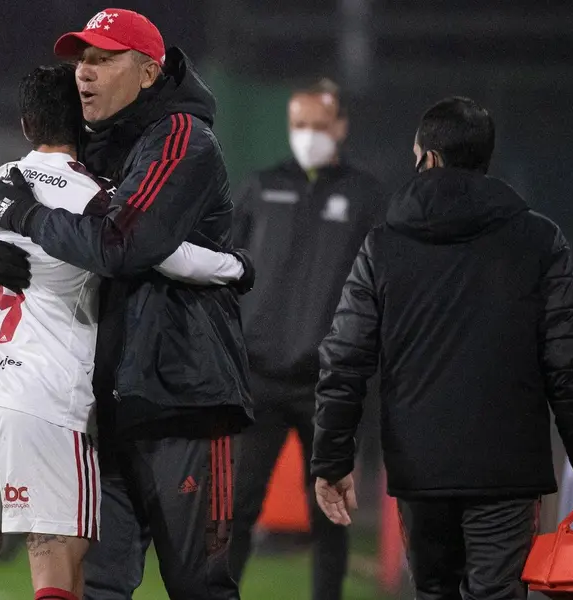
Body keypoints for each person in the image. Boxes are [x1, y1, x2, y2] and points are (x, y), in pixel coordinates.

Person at [0, 63, 247, 600]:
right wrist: (234, 266)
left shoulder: (1, 181)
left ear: (25, 123)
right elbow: (151, 249)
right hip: (49, 401)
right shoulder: (97, 197)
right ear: (83, 124)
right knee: (60, 575)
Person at [310, 97, 573, 600]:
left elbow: (344, 357)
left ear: (427, 158)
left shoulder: (383, 245)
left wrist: (331, 459)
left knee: (434, 592)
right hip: (508, 471)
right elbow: (570, 361)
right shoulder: (540, 240)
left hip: (419, 468)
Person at [227, 77, 385, 599]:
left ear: (340, 127)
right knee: (237, 510)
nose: (309, 135)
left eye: (319, 125)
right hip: (258, 377)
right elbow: (226, 269)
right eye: (300, 126)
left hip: (330, 386)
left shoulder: (365, 197)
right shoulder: (259, 186)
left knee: (330, 516)